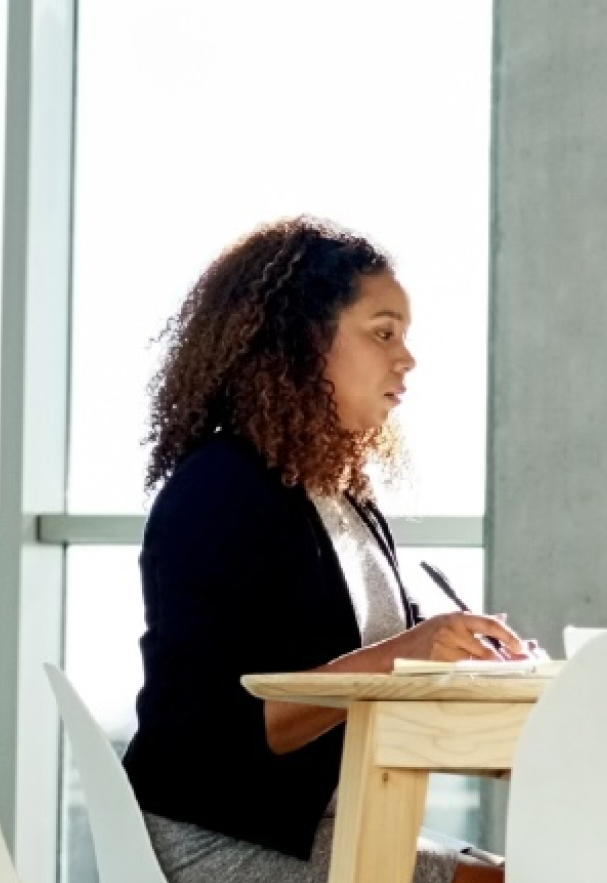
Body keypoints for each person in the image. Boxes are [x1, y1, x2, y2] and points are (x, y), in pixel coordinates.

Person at [123, 217, 524, 883]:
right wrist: (409, 651)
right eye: (383, 332)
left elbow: (392, 659)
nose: (407, 358)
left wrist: (476, 659)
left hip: (324, 823)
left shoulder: (342, 497)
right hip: (217, 836)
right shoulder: (217, 490)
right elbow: (221, 733)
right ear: (303, 343)